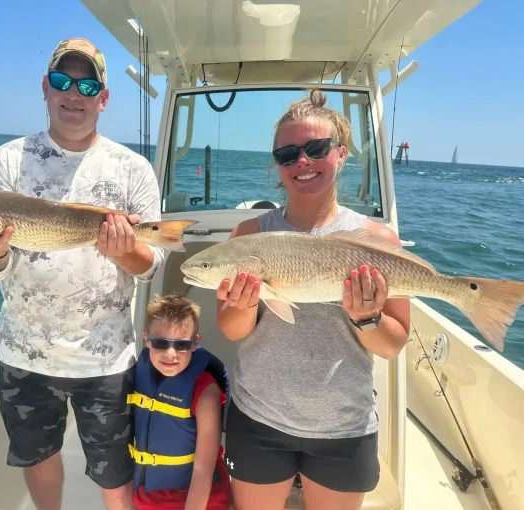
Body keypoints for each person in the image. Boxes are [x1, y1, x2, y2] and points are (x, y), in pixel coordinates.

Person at [0, 37, 164, 510]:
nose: (72, 93)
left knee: (113, 464)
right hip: (24, 352)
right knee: (38, 458)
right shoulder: (6, 162)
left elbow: (151, 264)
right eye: (61, 80)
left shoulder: (132, 169)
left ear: (103, 96)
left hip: (106, 356)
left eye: (86, 83)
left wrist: (125, 252)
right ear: (45, 87)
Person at [215, 89, 411, 510]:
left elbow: (393, 345)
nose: (301, 161)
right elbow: (232, 330)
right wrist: (246, 304)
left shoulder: (380, 242)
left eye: (316, 148)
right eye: (288, 154)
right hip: (258, 419)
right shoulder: (249, 236)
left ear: (340, 154)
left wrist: (368, 318)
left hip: (345, 426)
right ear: (277, 166)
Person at [128, 294, 231, 510]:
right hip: (147, 498)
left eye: (181, 344)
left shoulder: (205, 391)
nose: (171, 354)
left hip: (199, 501)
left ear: (195, 344)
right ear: (146, 339)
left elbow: (203, 469)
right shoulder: (136, 375)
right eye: (161, 343)